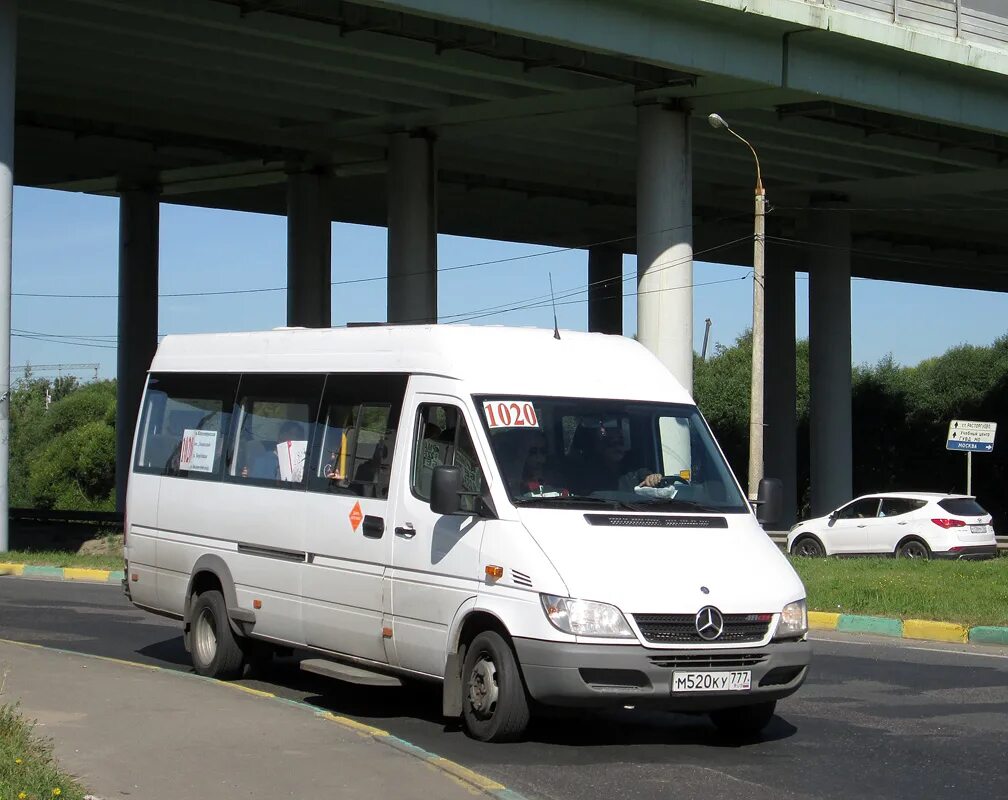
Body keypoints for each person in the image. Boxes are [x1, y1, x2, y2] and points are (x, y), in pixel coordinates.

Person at [579, 426, 662, 493]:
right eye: (611, 443)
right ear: (600, 447)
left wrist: (652, 478)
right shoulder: (588, 473)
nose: (617, 447)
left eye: (621, 443)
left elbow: (646, 476)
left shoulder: (633, 470)